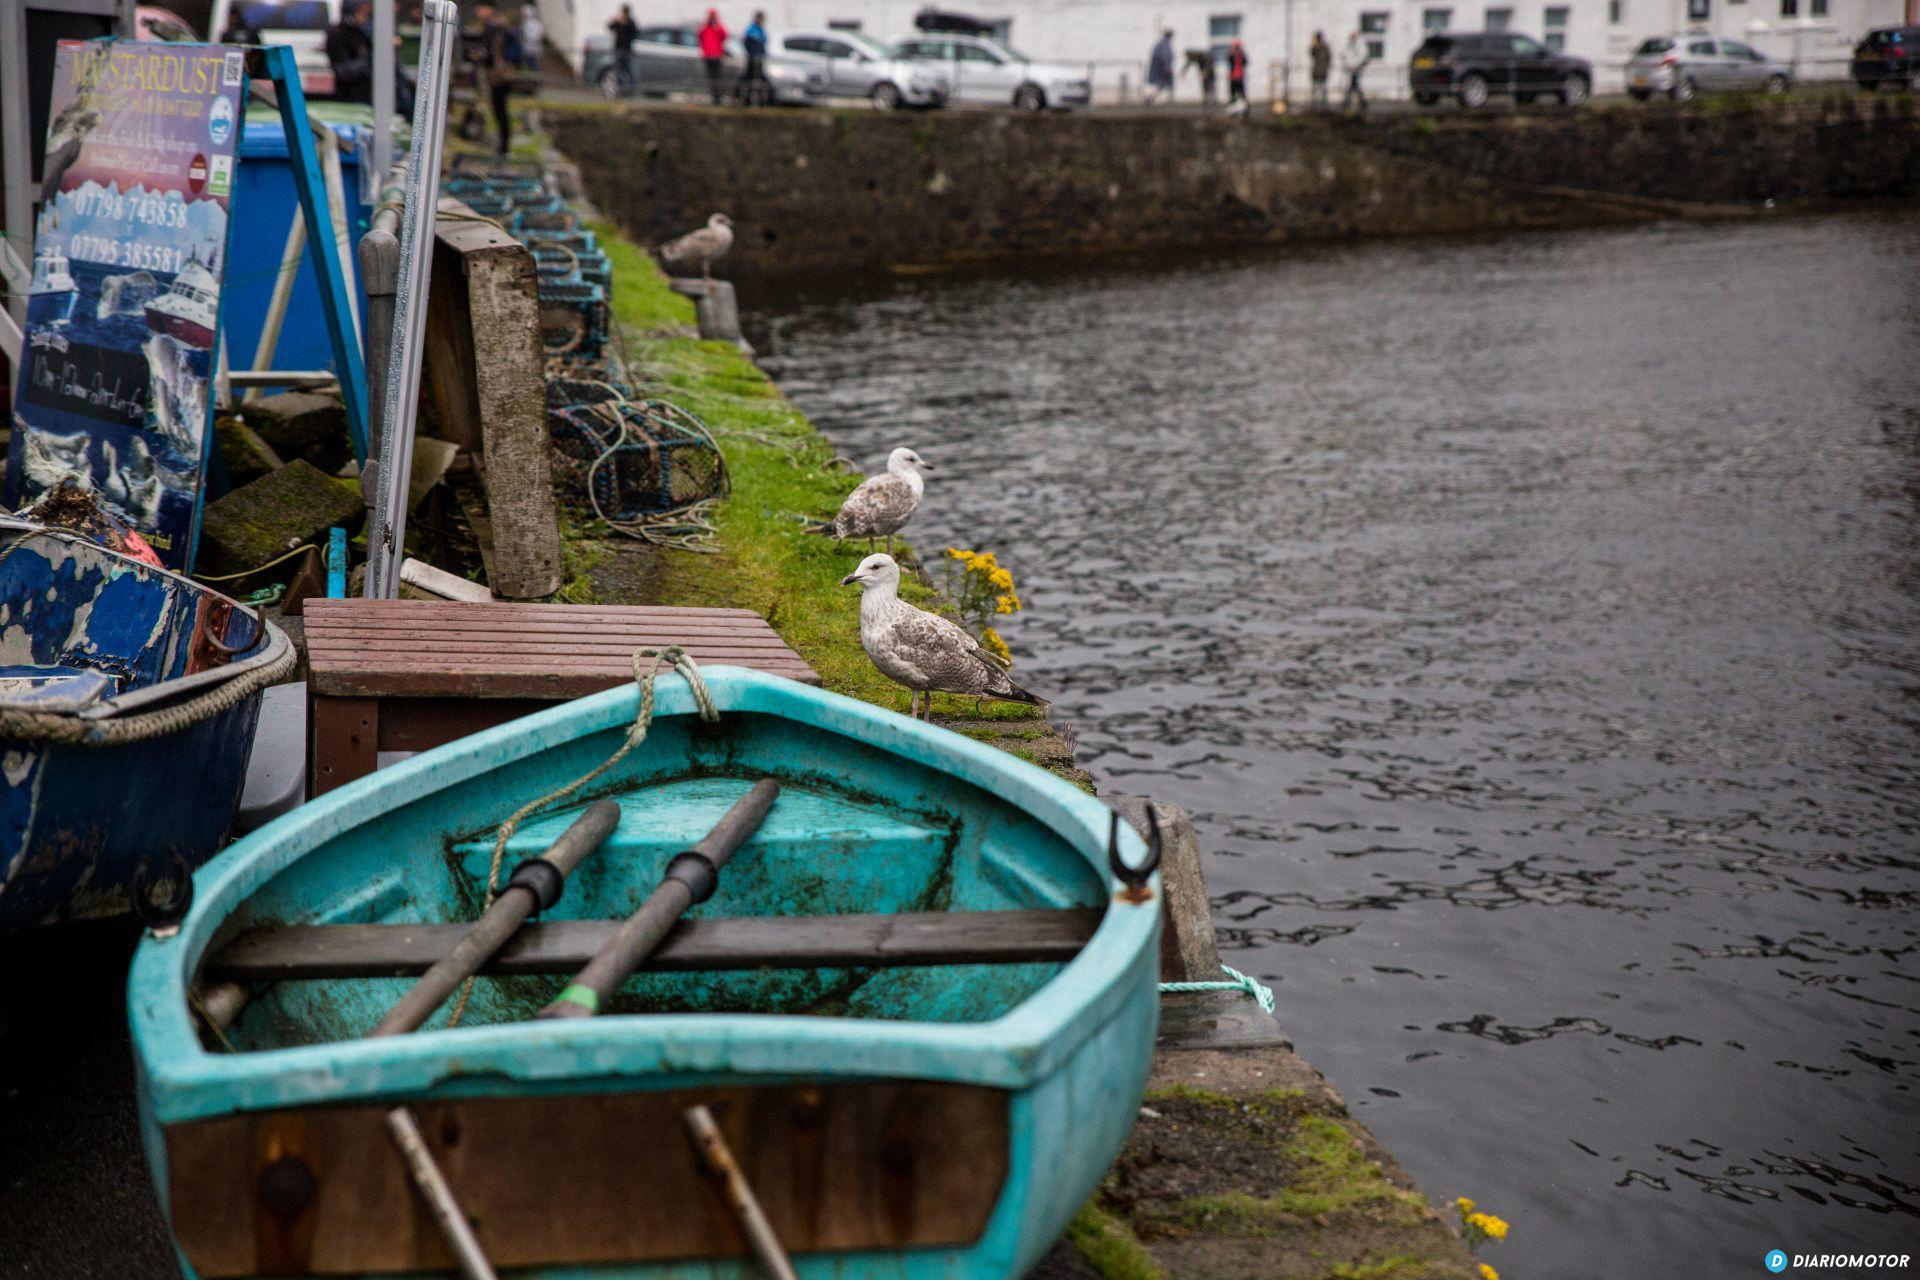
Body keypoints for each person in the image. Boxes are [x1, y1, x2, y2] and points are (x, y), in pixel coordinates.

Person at [472, 4, 523, 154]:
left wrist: (481, 56)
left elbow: (491, 52)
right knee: (499, 109)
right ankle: (503, 143)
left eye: (480, 7)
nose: (477, 11)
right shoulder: (499, 28)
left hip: (499, 76)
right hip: (500, 75)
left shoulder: (495, 29)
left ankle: (504, 145)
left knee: (500, 108)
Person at [325, 0, 374, 104]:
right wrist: (368, 60)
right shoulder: (338, 34)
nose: (365, 18)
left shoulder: (362, 32)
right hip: (349, 96)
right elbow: (342, 70)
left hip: (366, 94)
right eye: (362, 13)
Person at [698, 9, 728, 105]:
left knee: (718, 77)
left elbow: (724, 35)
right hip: (708, 55)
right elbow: (700, 36)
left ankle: (718, 97)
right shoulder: (705, 27)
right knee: (711, 77)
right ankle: (714, 97)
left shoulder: (718, 27)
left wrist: (717, 27)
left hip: (717, 55)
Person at [607, 4, 638, 93]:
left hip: (627, 50)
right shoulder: (618, 22)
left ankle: (630, 89)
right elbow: (610, 27)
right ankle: (619, 88)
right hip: (618, 50)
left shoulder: (631, 22)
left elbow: (634, 34)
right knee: (618, 70)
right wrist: (616, 20)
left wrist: (626, 24)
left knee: (628, 70)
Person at [1339, 27, 1370, 115]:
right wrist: (1347, 64)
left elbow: (1363, 55)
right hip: (1350, 67)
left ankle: (1348, 101)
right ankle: (1360, 101)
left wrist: (1357, 65)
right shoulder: (1348, 43)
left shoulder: (1360, 43)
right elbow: (1344, 53)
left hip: (1357, 68)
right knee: (1354, 84)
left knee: (1353, 84)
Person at [740, 9, 769, 102]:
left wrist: (762, 53)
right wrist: (751, 53)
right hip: (752, 58)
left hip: (759, 59)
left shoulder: (761, 30)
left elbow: (763, 44)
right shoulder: (751, 29)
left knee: (759, 78)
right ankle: (746, 98)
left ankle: (760, 98)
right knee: (749, 77)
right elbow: (747, 43)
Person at [1145, 28, 1175, 105]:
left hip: (1159, 67)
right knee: (1165, 84)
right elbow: (1165, 56)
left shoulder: (1160, 43)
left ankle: (1151, 98)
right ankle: (1167, 100)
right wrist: (1167, 67)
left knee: (1162, 84)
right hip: (1162, 68)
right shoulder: (1165, 44)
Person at [1309, 32, 1332, 110]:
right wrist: (1314, 46)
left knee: (1323, 89)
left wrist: (1326, 68)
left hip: (1322, 70)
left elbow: (1328, 58)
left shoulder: (1324, 47)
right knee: (1315, 88)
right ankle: (1314, 105)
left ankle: (1324, 105)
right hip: (1316, 70)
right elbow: (1312, 55)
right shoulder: (1315, 47)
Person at [1226, 37, 1248, 113]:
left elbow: (1245, 63)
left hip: (1240, 76)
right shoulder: (1231, 55)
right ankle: (1232, 109)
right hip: (1233, 77)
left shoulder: (1242, 55)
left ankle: (1245, 109)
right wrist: (1232, 53)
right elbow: (1228, 60)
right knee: (1232, 94)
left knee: (1241, 93)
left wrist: (1241, 54)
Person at [519, 3, 543, 70]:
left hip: (533, 46)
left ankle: (535, 75)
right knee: (528, 62)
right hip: (526, 46)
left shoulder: (536, 23)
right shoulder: (524, 23)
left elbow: (537, 35)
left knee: (534, 63)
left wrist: (527, 38)